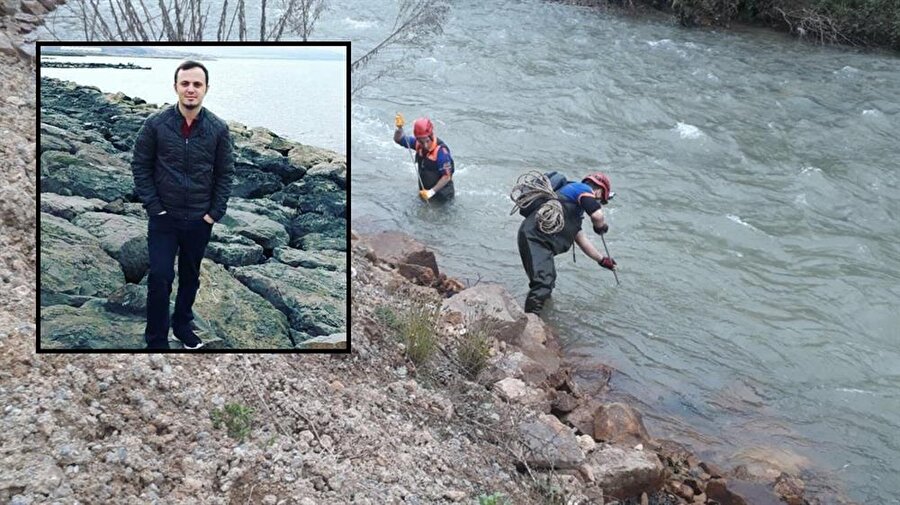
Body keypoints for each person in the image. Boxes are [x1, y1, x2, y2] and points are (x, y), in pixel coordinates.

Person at [131, 60, 235, 350]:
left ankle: (182, 325)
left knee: (190, 277)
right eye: (185, 83)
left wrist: (214, 214)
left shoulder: (218, 129)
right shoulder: (156, 125)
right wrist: (155, 208)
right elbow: (140, 166)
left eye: (197, 84)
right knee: (160, 276)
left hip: (199, 219)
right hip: (164, 217)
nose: (191, 89)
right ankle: (156, 340)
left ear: (206, 89)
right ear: (176, 86)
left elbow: (225, 173)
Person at [517, 172, 617, 314]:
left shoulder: (572, 207)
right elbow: (597, 215)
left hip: (537, 240)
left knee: (547, 281)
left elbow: (582, 240)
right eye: (601, 200)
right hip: (534, 238)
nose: (599, 202)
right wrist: (600, 227)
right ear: (599, 190)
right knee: (543, 283)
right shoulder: (582, 189)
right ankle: (530, 323)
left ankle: (540, 317)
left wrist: (602, 260)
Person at [393, 113, 455, 202]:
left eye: (427, 141)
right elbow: (398, 139)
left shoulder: (441, 152)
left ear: (431, 136)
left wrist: (431, 192)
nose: (425, 145)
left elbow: (446, 177)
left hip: (442, 196)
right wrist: (399, 129)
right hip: (425, 192)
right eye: (421, 142)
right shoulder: (417, 144)